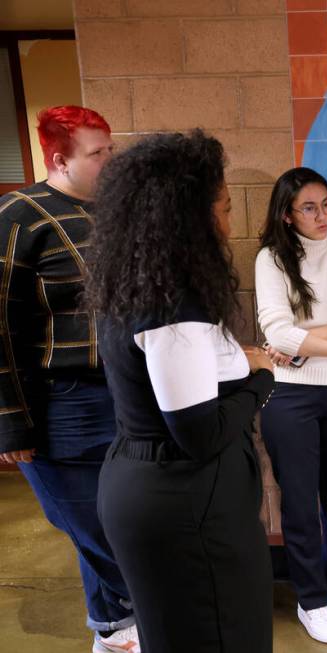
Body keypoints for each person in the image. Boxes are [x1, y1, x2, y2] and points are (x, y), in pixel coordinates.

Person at [86, 130, 276, 653]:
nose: (229, 222)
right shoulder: (174, 305)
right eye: (225, 208)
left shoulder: (138, 284)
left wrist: (240, 360)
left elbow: (184, 373)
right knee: (219, 635)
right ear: (190, 219)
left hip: (155, 489)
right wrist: (261, 383)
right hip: (184, 502)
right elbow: (199, 431)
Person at [0, 106, 140, 653]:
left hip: (123, 395)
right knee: (93, 529)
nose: (111, 160)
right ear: (59, 159)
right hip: (62, 403)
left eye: (111, 148)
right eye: (97, 153)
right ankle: (137, 623)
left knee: (117, 520)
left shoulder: (115, 215)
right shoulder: (20, 215)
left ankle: (111, 634)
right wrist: (11, 425)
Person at [254, 167, 327, 644]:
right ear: (287, 214)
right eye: (309, 207)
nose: (322, 215)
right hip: (289, 395)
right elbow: (275, 333)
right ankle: (311, 599)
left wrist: (304, 343)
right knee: (301, 502)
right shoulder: (271, 260)